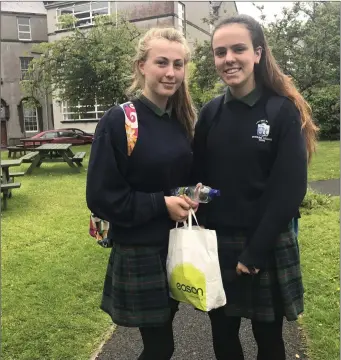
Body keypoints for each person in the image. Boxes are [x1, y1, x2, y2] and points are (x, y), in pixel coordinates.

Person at [190, 15, 318, 360]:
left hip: (266, 242)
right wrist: (197, 212)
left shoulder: (281, 111)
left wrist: (256, 251)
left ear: (258, 53)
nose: (228, 59)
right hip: (218, 244)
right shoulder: (211, 112)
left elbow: (289, 190)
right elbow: (199, 176)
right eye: (220, 52)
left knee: (269, 337)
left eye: (238, 49)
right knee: (223, 333)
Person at [86, 27, 197, 360]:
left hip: (179, 246)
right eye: (161, 62)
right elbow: (102, 197)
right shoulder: (121, 121)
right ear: (141, 67)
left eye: (178, 64)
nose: (171, 72)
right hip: (141, 251)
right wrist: (161, 204)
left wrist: (193, 193)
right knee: (160, 346)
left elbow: (176, 178)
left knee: (163, 338)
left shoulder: (181, 119)